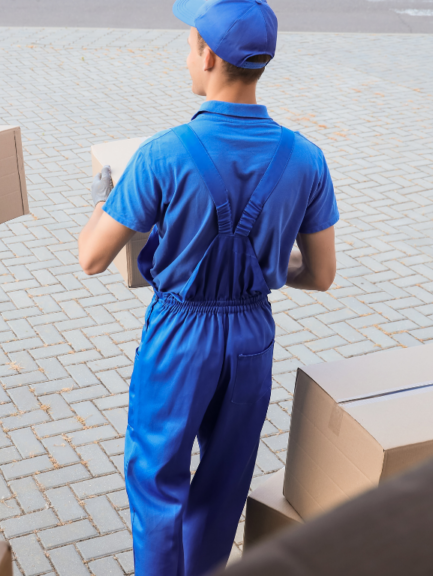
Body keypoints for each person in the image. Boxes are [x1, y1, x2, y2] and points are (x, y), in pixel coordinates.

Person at [77, 0, 339, 574]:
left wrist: (104, 200)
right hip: (251, 335)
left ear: (209, 56)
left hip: (180, 334)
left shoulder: (164, 153)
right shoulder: (306, 158)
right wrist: (265, 269)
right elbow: (320, 274)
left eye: (190, 43)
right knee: (224, 482)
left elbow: (92, 258)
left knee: (156, 481)